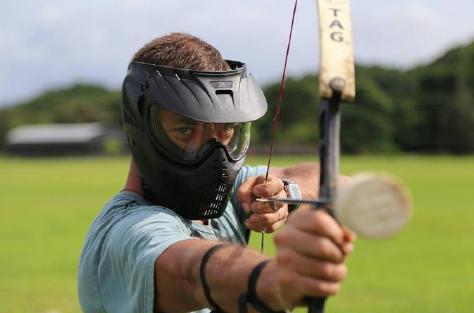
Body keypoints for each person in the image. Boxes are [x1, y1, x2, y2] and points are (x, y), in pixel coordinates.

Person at [78, 33, 355, 313]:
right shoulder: (129, 230)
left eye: (225, 129)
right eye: (185, 131)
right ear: (143, 129)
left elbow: (338, 184)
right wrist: (272, 279)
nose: (215, 153)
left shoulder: (235, 196)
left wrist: (285, 193)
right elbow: (191, 272)